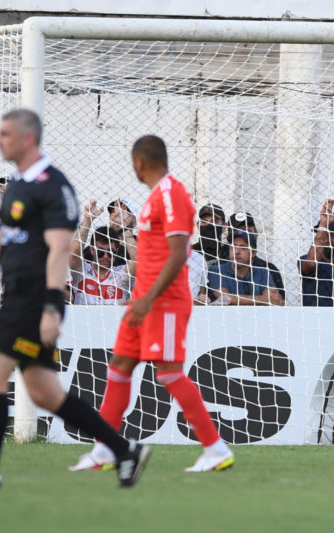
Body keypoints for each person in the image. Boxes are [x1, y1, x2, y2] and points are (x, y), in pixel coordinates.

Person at [0, 108, 149, 488]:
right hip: (16, 294)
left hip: (33, 299)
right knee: (45, 393)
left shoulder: (53, 185)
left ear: (28, 138)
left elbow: (60, 250)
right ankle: (124, 449)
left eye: (6, 133)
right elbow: (4, 241)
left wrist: (51, 306)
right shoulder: (16, 184)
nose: (0, 140)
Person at [69, 135, 233, 473]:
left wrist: (147, 299)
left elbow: (177, 257)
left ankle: (215, 448)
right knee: (119, 366)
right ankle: (105, 449)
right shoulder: (157, 196)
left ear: (139, 162)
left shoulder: (172, 194)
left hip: (164, 302)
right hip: (143, 300)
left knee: (169, 373)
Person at [207, 229, 283, 305]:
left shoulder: (263, 272)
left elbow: (274, 298)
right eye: (233, 247)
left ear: (253, 253)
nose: (236, 252)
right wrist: (264, 299)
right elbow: (224, 298)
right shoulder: (217, 270)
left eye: (243, 248)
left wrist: (270, 299)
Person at [227, 211, 286, 301]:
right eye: (238, 230)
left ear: (256, 234)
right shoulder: (219, 268)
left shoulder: (269, 269)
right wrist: (264, 299)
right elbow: (218, 300)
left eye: (248, 229)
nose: (244, 233)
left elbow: (280, 302)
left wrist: (275, 298)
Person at [69, 223, 132, 305]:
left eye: (110, 252)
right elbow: (74, 254)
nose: (106, 256)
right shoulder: (81, 270)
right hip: (83, 317)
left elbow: (139, 260)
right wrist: (87, 220)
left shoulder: (122, 273)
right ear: (92, 250)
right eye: (100, 252)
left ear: (116, 252)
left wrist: (127, 234)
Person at [192, 203, 226, 268]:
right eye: (204, 222)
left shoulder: (229, 252)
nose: (209, 225)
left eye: (215, 221)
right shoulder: (191, 253)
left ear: (224, 226)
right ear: (198, 225)